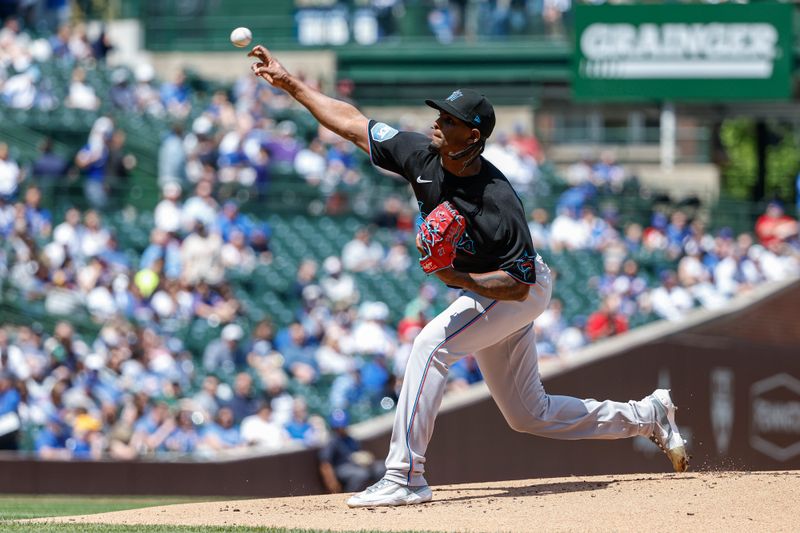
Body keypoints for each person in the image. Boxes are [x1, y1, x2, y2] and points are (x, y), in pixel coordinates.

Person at [248, 44, 689, 508]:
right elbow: (353, 123)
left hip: (517, 287)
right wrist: (291, 84)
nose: (437, 122)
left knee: (431, 345)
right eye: (439, 114)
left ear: (473, 136)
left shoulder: (497, 200)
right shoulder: (421, 156)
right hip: (488, 288)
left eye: (450, 119)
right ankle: (648, 414)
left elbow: (517, 285)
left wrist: (460, 279)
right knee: (528, 414)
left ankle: (404, 475)